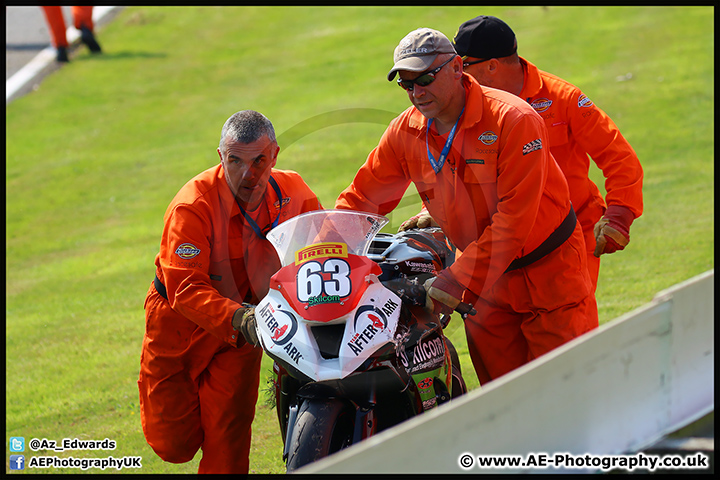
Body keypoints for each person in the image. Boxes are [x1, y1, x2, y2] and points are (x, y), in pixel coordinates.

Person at [335, 28, 598, 385]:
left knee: (569, 390)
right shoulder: (404, 131)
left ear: (458, 68)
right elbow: (361, 201)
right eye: (406, 84)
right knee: (504, 402)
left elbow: (515, 217)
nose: (416, 92)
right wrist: (326, 256)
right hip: (484, 289)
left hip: (547, 274)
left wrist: (457, 277)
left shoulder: (514, 119)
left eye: (425, 78)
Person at [138, 110, 322, 473]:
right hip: (180, 325)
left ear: (275, 156)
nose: (246, 173)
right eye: (235, 160)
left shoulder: (294, 191)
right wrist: (239, 317)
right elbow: (186, 288)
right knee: (173, 444)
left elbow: (322, 246)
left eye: (259, 161)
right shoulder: (192, 205)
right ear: (221, 156)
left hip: (245, 330)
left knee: (229, 436)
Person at [452, 15, 644, 290]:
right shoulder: (463, 107)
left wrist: (620, 213)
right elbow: (446, 164)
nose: (456, 76)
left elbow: (617, 154)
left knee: (570, 328)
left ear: (491, 66)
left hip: (569, 237)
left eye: (463, 66)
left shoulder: (563, 98)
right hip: (498, 244)